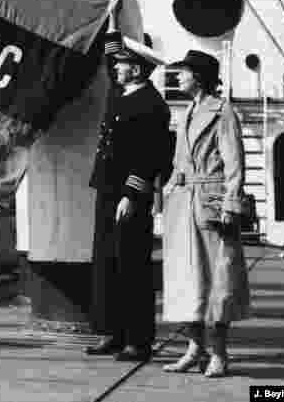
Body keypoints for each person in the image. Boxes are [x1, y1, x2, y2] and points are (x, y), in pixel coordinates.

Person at [162, 49, 250, 378]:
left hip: (211, 203)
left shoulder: (222, 111)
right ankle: (194, 348)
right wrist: (170, 188)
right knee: (187, 278)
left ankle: (219, 353)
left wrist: (231, 203)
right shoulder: (186, 112)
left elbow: (235, 164)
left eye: (183, 72)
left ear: (198, 76)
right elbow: (178, 163)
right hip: (184, 202)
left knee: (218, 279)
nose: (178, 76)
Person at [86, 33, 172, 362]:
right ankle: (114, 332)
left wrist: (131, 194)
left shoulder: (152, 106)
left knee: (132, 268)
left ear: (136, 70)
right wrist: (112, 21)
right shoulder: (121, 94)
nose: (117, 69)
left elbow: (150, 156)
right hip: (107, 190)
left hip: (129, 197)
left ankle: (138, 340)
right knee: (107, 264)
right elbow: (109, 60)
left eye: (123, 65)